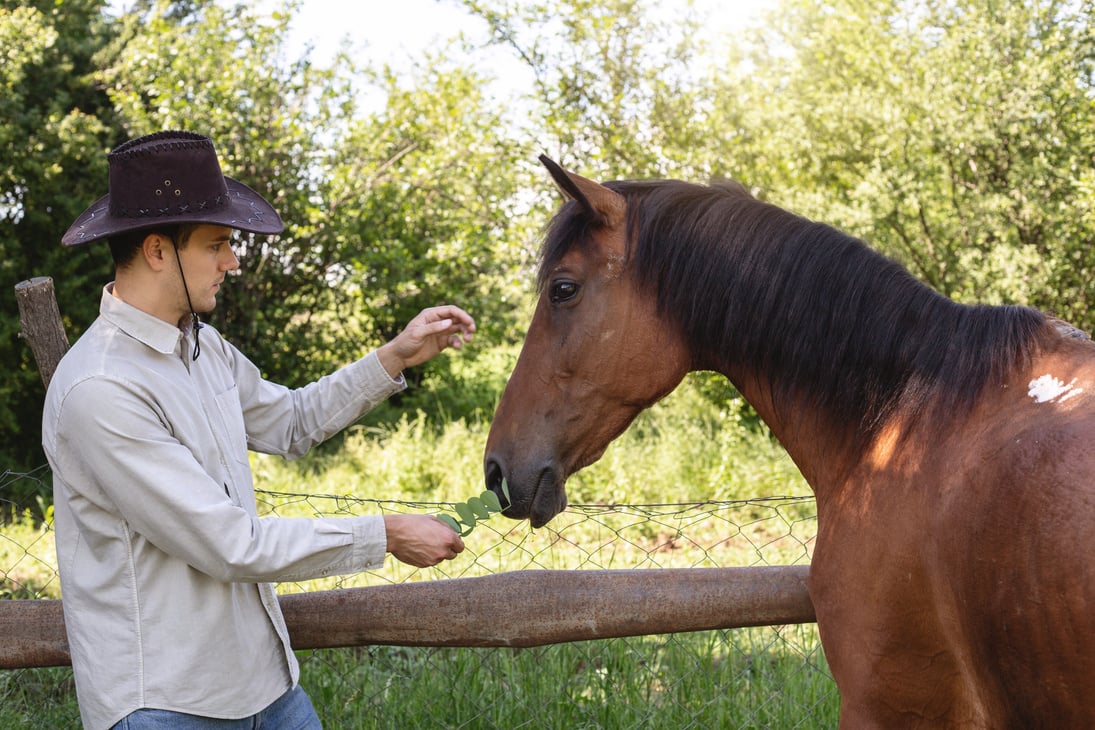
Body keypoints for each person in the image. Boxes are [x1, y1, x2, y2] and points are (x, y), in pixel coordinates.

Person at [43, 131, 473, 729]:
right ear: (158, 251)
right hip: (165, 704)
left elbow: (290, 421)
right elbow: (229, 545)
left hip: (267, 685)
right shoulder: (101, 389)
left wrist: (394, 357)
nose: (233, 261)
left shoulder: (204, 347)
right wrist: (385, 534)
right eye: (217, 244)